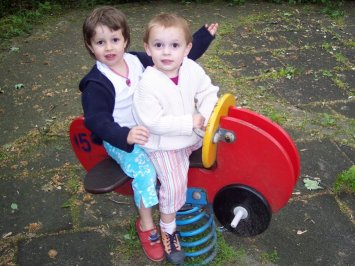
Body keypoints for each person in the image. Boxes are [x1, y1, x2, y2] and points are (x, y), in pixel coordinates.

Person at [79, 6, 218, 263]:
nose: (109, 48)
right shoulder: (97, 83)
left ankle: (172, 195)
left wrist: (200, 39)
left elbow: (170, 54)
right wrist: (125, 135)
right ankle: (147, 227)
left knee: (177, 158)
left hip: (154, 129)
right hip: (121, 137)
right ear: (90, 46)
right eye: (100, 42)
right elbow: (96, 121)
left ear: (126, 40)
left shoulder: (135, 60)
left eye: (115, 40)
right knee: (146, 172)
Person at [133, 13, 219, 264]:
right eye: (159, 45)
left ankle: (218, 194)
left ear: (187, 48)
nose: (166, 52)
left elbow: (208, 91)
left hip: (191, 134)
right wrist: (188, 122)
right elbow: (153, 122)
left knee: (219, 147)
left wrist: (204, 114)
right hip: (162, 145)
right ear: (148, 49)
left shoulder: (191, 68)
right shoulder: (147, 84)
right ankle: (168, 229)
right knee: (173, 185)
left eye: (174, 45)